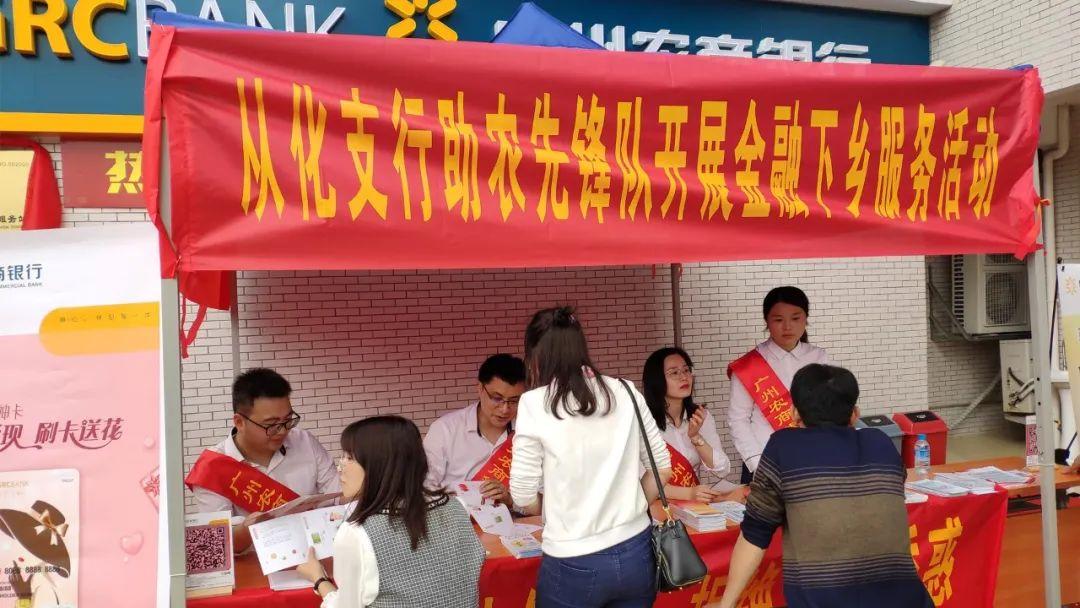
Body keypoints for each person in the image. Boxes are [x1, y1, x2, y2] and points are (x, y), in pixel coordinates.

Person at [716, 364, 934, 608]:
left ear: (794, 413)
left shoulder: (784, 447)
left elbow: (755, 533)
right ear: (855, 414)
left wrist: (726, 604)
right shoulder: (881, 442)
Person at [510, 307, 672, 608]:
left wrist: (552, 510)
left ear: (535, 355)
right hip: (637, 550)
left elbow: (522, 494)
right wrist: (633, 502)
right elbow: (662, 468)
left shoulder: (534, 403)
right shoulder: (625, 391)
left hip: (572, 559)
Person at [297, 416, 485, 607]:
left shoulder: (357, 533)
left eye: (349, 458)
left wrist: (319, 579)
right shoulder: (457, 507)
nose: (340, 467)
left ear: (378, 465)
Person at [186, 368, 339, 552]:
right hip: (253, 564)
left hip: (314, 555)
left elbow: (337, 496)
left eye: (288, 420)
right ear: (239, 422)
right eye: (271, 425)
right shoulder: (212, 468)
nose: (283, 431)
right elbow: (217, 544)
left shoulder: (304, 441)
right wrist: (246, 530)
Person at [727, 286, 829, 483]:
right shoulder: (749, 366)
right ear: (767, 321)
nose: (787, 327)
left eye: (795, 318)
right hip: (764, 462)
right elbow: (738, 419)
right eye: (778, 320)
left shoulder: (819, 357)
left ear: (806, 319)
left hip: (812, 458)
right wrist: (757, 464)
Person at [423, 354, 527, 507]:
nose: (505, 409)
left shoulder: (526, 431)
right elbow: (425, 488)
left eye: (514, 401)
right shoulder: (445, 430)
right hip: (457, 518)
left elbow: (542, 493)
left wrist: (510, 500)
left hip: (513, 518)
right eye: (497, 398)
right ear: (480, 388)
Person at [642, 347, 732, 502]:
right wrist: (688, 494)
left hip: (694, 507)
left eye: (686, 370)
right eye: (674, 373)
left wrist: (696, 437)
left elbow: (722, 469)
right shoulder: (643, 423)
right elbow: (640, 481)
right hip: (658, 508)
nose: (684, 377)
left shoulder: (700, 417)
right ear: (656, 380)